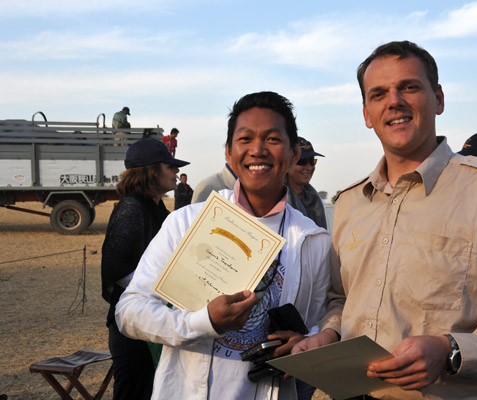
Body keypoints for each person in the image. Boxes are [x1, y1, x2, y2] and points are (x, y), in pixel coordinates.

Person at [293, 40, 477, 399]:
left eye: (409, 87)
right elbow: (341, 299)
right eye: (378, 94)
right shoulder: (351, 203)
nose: (394, 101)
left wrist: (452, 351)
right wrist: (328, 335)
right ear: (366, 113)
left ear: (438, 98)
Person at [115, 91, 330, 399]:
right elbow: (130, 311)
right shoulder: (186, 223)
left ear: (295, 153)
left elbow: (320, 325)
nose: (258, 150)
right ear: (229, 153)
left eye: (272, 139)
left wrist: (304, 343)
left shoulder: (313, 241)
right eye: (245, 139)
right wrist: (203, 322)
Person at [101, 138, 189, 399]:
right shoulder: (131, 207)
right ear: (151, 170)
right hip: (131, 326)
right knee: (134, 391)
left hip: (151, 319)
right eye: (170, 166)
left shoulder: (155, 206)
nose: (176, 171)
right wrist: (164, 291)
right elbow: (116, 270)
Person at [286, 137, 327, 229]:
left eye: (312, 161)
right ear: (286, 164)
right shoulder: (277, 203)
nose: (309, 167)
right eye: (302, 162)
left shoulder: (317, 201)